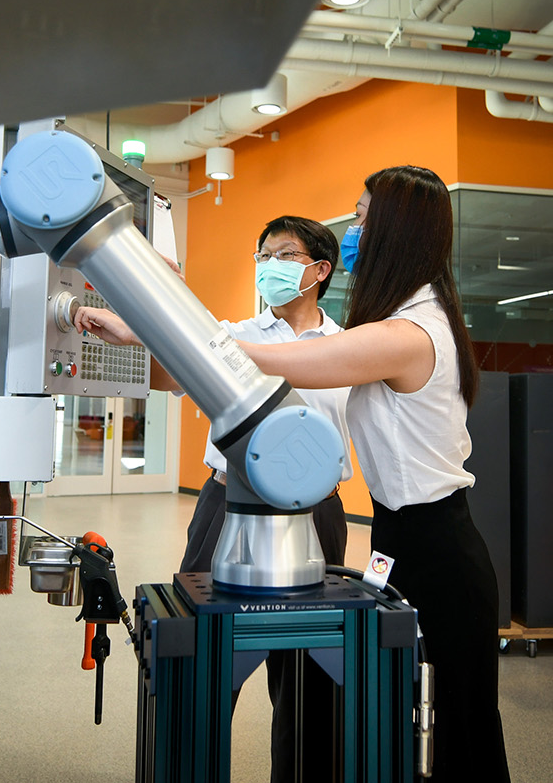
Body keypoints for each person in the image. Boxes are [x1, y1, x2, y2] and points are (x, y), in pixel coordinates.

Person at [235, 166, 510, 782]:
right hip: (403, 541)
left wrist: (157, 331)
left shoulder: (408, 333)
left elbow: (289, 362)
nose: (352, 231)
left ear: (395, 230)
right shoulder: (407, 319)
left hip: (439, 553)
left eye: (361, 217)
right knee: (413, 726)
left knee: (457, 733)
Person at [74, 216, 351, 783]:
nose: (269, 265)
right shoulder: (229, 334)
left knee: (309, 670)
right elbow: (167, 377)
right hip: (227, 507)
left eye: (285, 254)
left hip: (317, 514)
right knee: (205, 652)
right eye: (263, 255)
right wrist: (142, 329)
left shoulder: (347, 348)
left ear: (320, 270)